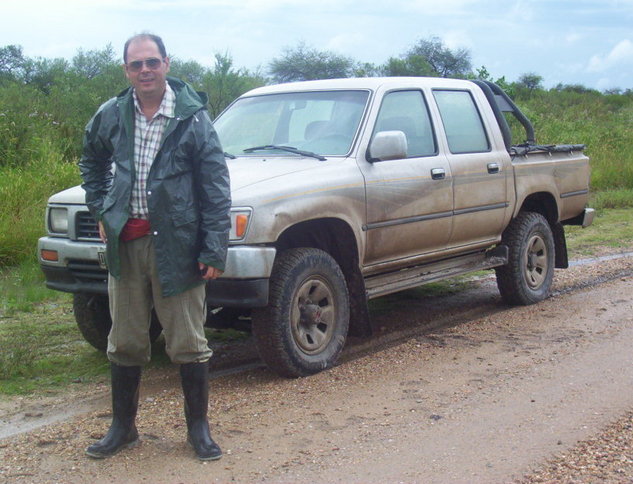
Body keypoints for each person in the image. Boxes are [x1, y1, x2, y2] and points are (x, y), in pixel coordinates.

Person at [79, 32, 231, 461]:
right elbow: (91, 160)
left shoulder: (194, 119)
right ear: (126, 70)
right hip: (126, 246)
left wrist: (213, 248)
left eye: (151, 62)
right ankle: (123, 429)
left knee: (187, 341)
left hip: (178, 246)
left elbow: (216, 186)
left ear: (166, 63)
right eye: (135, 64)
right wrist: (102, 207)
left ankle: (198, 431)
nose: (144, 70)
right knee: (124, 339)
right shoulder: (112, 113)